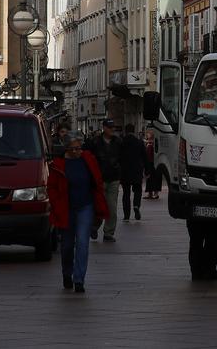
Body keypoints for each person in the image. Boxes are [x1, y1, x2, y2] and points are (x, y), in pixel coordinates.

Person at [48, 134, 107, 293]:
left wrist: (99, 200)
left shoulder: (88, 159)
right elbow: (51, 187)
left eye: (78, 148)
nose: (76, 151)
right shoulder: (58, 164)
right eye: (73, 149)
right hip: (66, 208)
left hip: (85, 207)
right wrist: (56, 203)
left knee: (82, 242)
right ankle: (67, 273)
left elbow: (97, 180)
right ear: (66, 148)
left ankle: (79, 279)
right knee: (67, 245)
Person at [90, 121, 123, 242]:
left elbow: (122, 158)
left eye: (113, 127)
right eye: (109, 127)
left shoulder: (118, 142)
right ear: (104, 128)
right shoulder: (95, 142)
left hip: (114, 178)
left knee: (112, 208)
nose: (112, 129)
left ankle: (108, 232)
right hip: (100, 179)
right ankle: (95, 226)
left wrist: (120, 172)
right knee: (99, 207)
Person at [119, 124, 147, 222]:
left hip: (125, 171)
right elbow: (144, 156)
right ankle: (136, 205)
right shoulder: (139, 142)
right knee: (138, 190)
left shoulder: (122, 142)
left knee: (126, 193)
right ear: (134, 131)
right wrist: (147, 170)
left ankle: (126, 215)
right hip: (137, 170)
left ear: (125, 131)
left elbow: (118, 157)